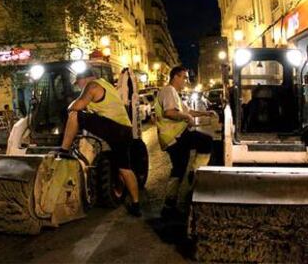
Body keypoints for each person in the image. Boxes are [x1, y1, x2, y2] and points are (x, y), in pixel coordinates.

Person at [59, 68, 141, 217]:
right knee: (125, 168)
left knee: (75, 114)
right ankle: (136, 204)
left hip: (114, 128)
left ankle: (63, 150)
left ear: (85, 79)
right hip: (125, 130)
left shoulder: (92, 86)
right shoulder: (105, 85)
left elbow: (76, 106)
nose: (78, 86)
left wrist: (70, 106)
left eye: (78, 83)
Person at [155, 66, 217, 219]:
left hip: (173, 137)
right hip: (175, 135)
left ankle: (168, 206)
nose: (186, 81)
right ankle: (195, 172)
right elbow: (169, 112)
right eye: (184, 77)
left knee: (178, 169)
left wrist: (204, 112)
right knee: (206, 141)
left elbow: (187, 111)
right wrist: (187, 118)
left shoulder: (174, 93)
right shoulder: (168, 91)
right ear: (175, 77)